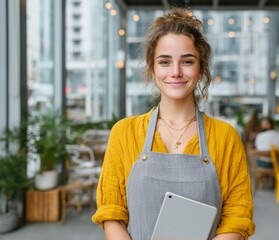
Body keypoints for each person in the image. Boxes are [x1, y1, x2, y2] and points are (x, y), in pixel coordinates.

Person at [92, 8, 255, 240]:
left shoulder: (225, 136)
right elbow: (111, 211)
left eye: (187, 61)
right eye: (165, 62)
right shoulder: (124, 132)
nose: (176, 72)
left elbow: (237, 216)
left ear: (200, 70)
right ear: (152, 69)